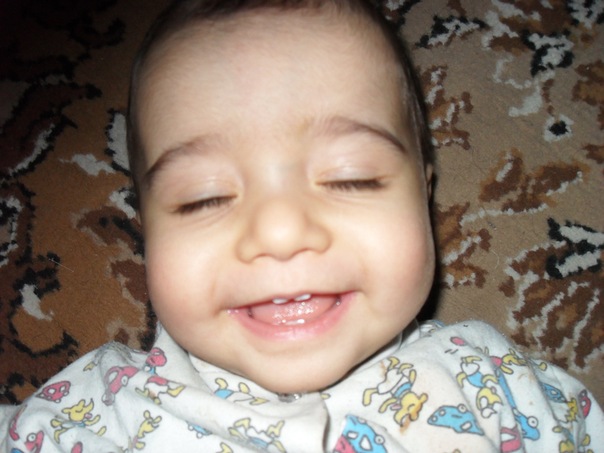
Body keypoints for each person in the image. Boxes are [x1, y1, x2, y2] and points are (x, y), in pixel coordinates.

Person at [1, 0, 602, 451]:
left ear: (424, 192)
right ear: (145, 228)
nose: (281, 233)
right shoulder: (92, 411)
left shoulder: (495, 382)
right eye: (203, 198)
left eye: (351, 178)